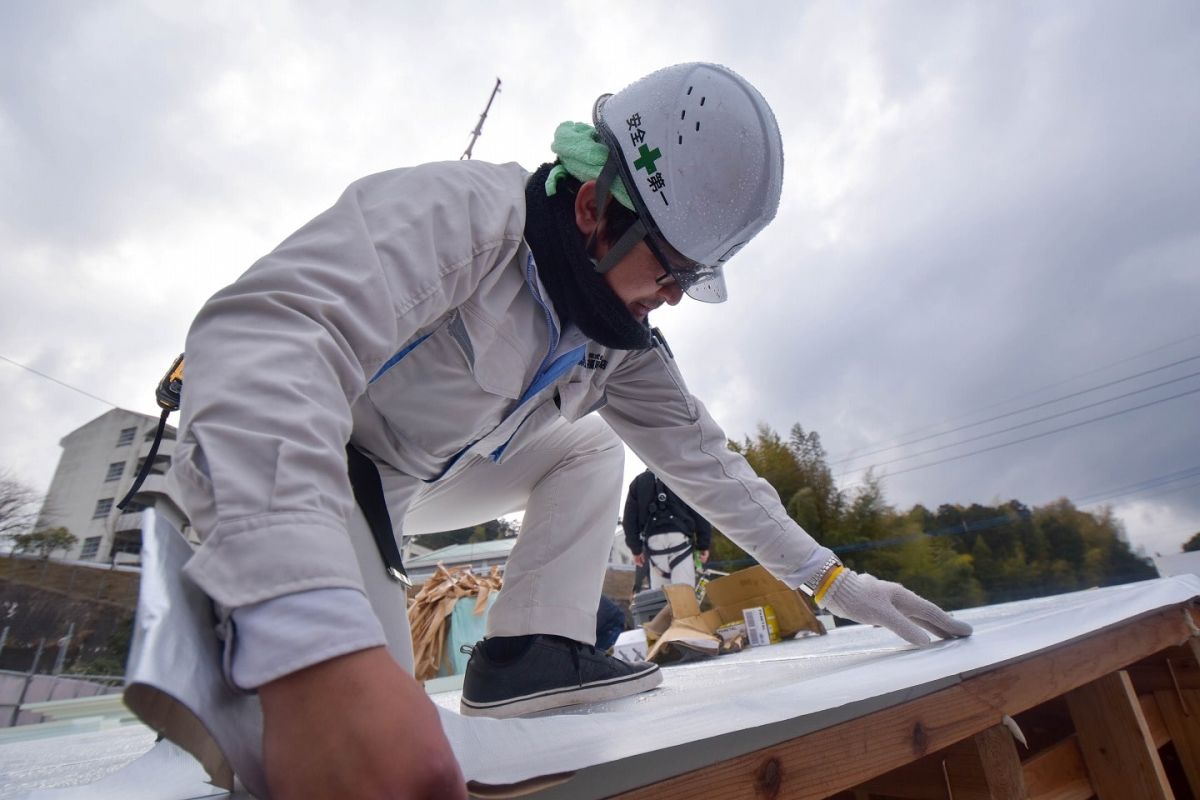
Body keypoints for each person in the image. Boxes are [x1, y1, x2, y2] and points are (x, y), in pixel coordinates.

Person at [166, 62, 973, 799]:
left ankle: (526, 655)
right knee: (353, 758)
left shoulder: (611, 344)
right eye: (669, 270)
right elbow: (264, 334)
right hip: (314, 466)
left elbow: (710, 466)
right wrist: (309, 640)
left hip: (420, 480)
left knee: (592, 443)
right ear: (593, 209)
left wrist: (835, 585)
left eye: (692, 278)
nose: (676, 296)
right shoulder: (468, 217)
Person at [624, 468, 712, 589]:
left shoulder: (638, 483)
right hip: (680, 541)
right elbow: (699, 511)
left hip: (654, 546)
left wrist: (636, 550)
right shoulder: (682, 477)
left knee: (660, 598)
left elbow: (629, 521)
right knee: (684, 596)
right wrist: (703, 544)